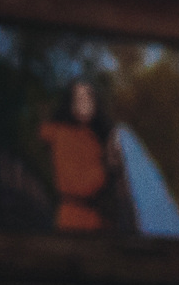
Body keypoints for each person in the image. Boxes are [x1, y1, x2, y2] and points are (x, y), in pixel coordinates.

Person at [39, 79, 127, 233]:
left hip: (97, 222)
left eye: (89, 97)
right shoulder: (64, 135)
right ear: (70, 103)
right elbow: (80, 186)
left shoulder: (95, 135)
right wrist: (108, 166)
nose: (85, 102)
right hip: (74, 223)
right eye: (79, 98)